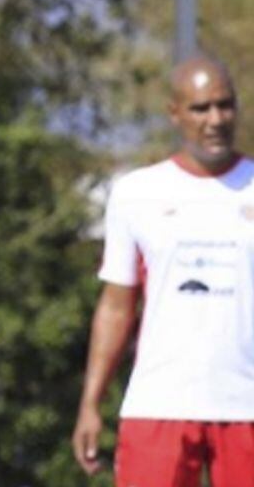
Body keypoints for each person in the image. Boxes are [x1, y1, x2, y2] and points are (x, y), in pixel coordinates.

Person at [72, 56, 254, 486]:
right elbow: (117, 307)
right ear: (175, 113)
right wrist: (90, 402)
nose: (215, 119)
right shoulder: (137, 193)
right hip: (159, 406)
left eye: (225, 105)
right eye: (200, 108)